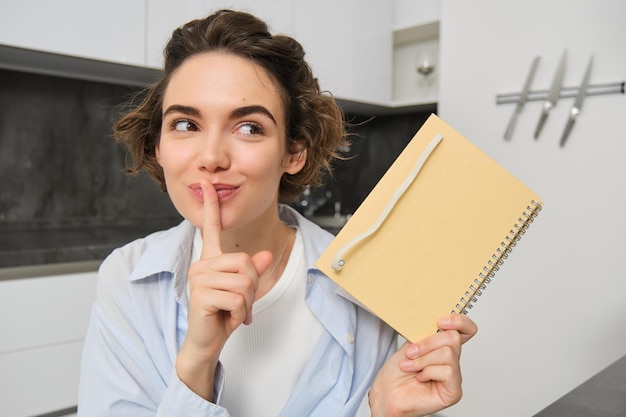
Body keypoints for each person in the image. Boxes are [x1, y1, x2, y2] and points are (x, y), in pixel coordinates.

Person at [78, 9, 477, 417]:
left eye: (249, 127)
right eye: (185, 124)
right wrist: (198, 359)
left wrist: (383, 413)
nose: (212, 157)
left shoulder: (363, 288)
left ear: (294, 152)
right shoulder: (127, 280)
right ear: (158, 146)